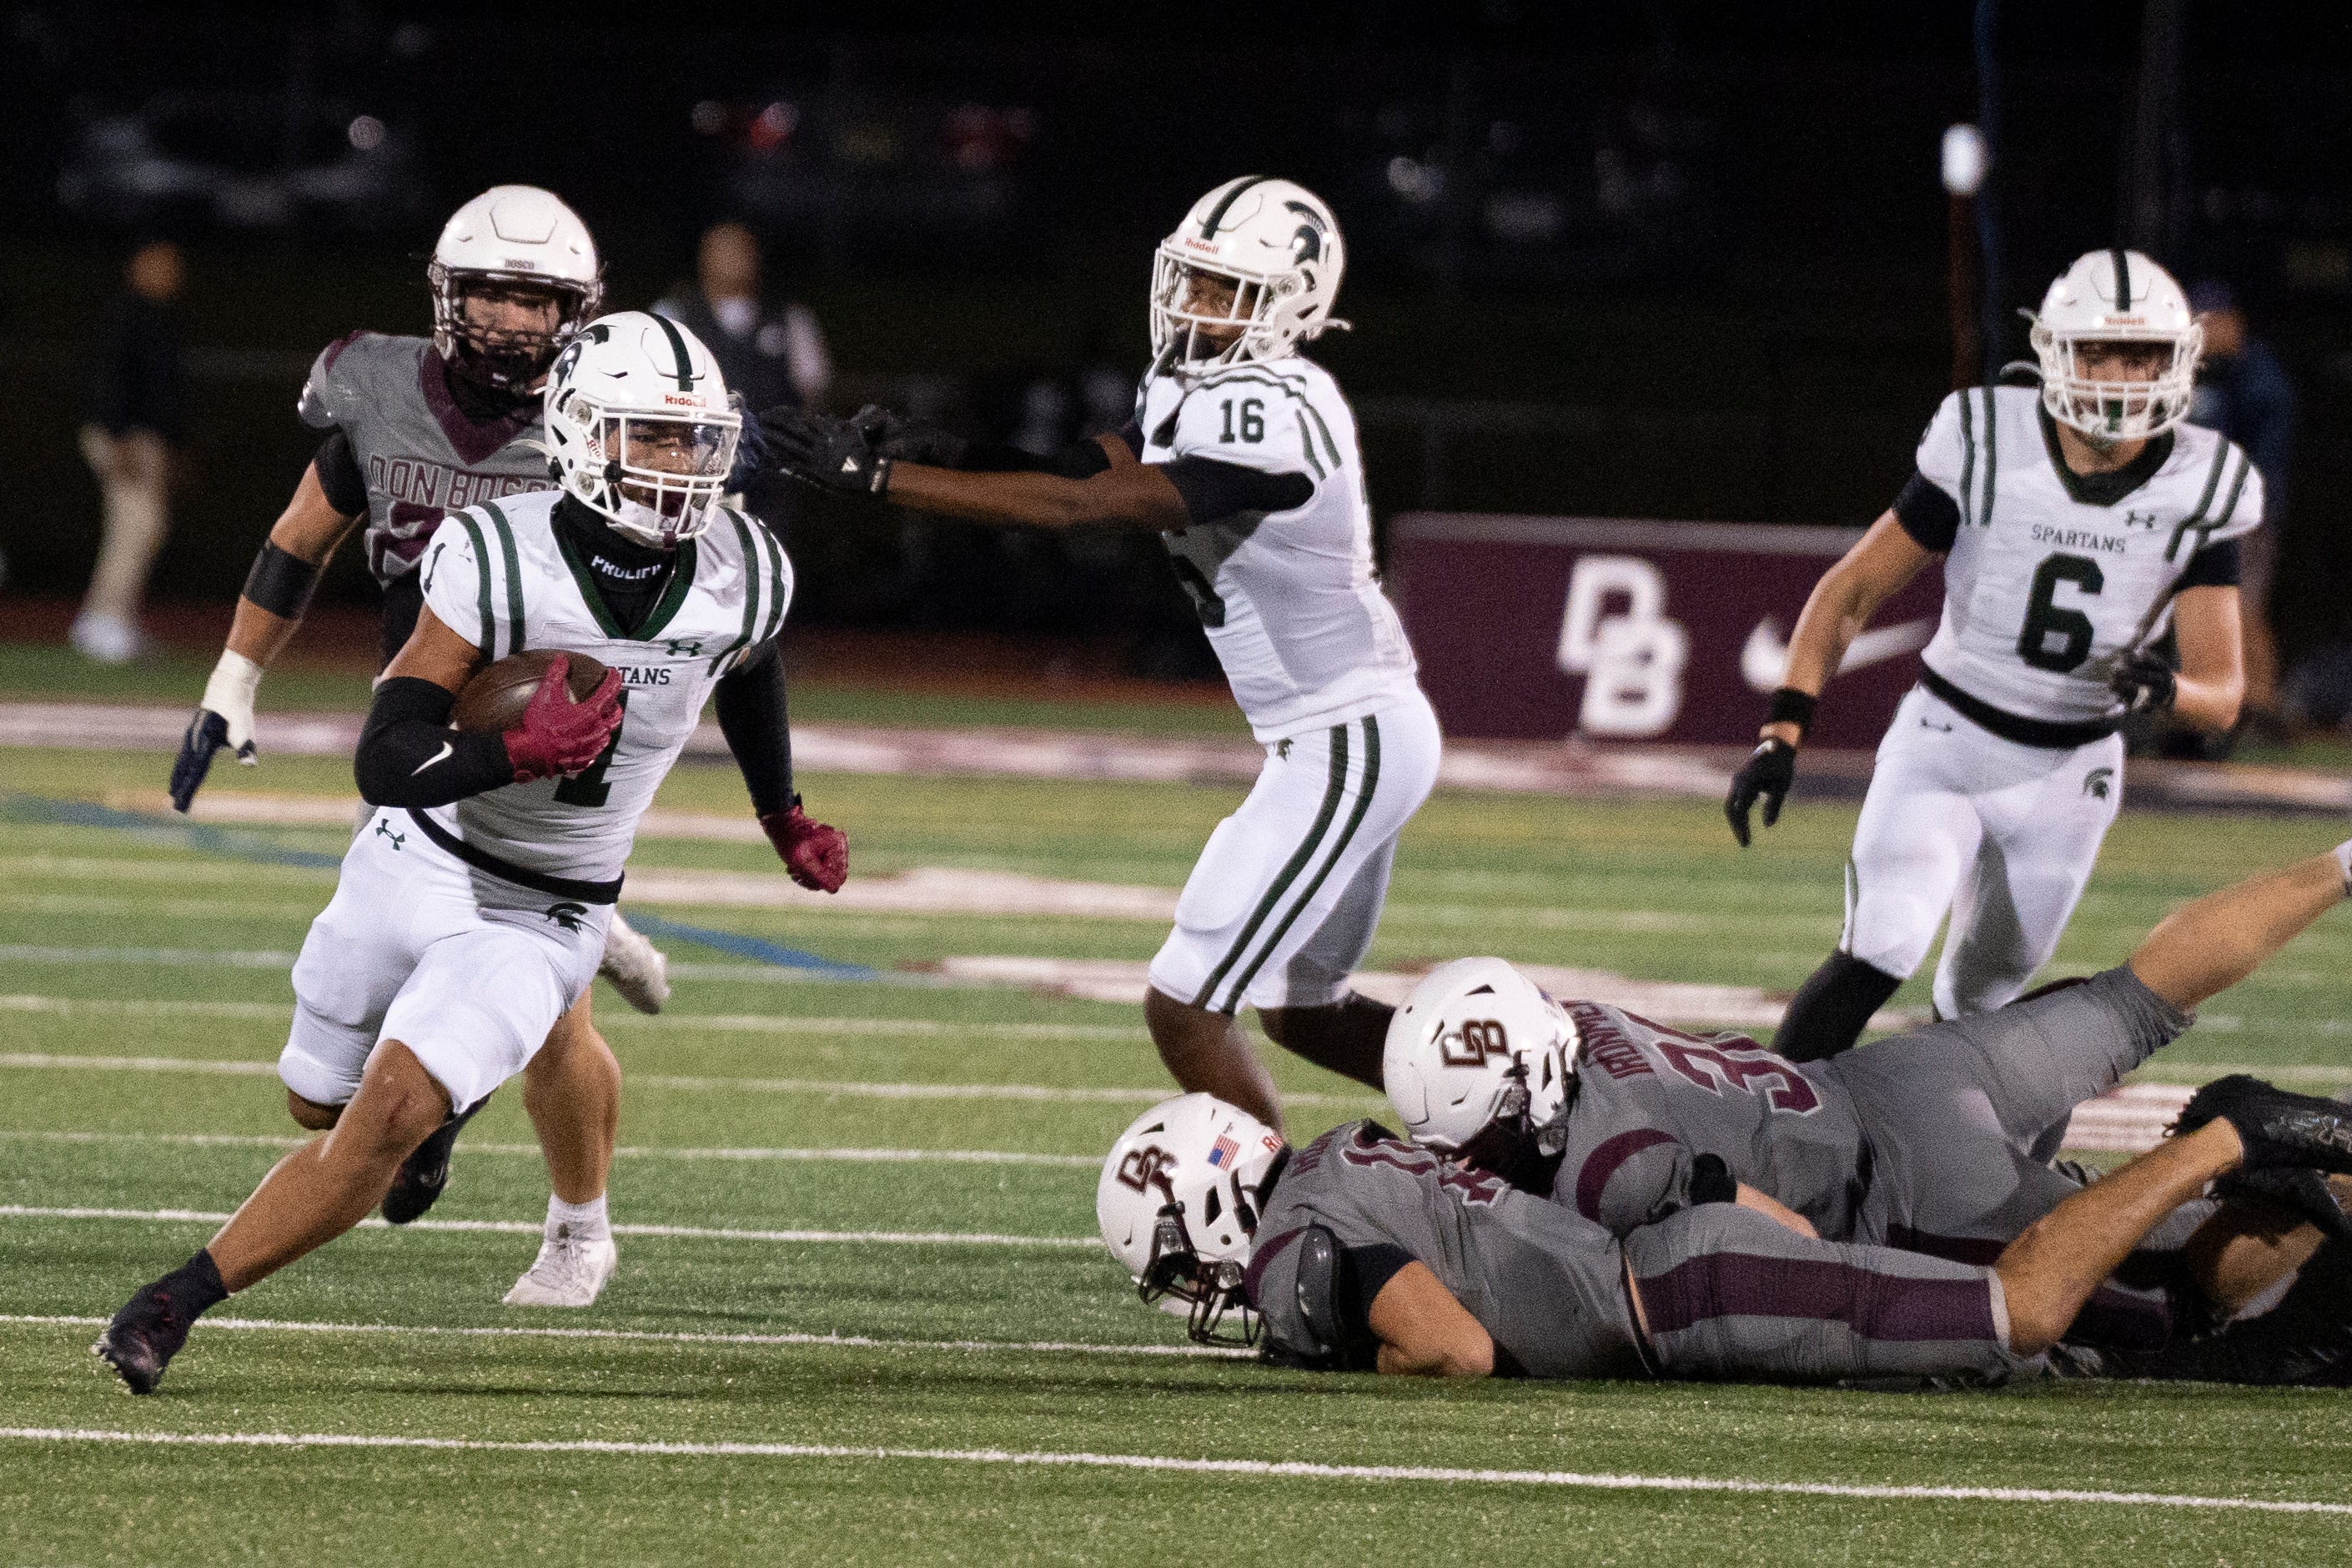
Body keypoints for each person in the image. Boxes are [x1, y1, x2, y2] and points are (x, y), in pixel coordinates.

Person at [93, 313, 848, 1395]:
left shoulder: (747, 569)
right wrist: (506, 750)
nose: (682, 468)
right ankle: (448, 1102)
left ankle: (171, 1303)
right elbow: (384, 753)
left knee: (384, 1119)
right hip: (416, 848)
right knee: (316, 1104)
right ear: (584, 434)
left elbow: (750, 663)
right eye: (652, 437)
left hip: (544, 908)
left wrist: (783, 812)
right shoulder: (500, 548)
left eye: (693, 440)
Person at [1097, 842, 2352, 1384]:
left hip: (1897, 1191)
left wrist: (1873, 1302)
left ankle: (2231, 1141)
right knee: (2140, 993)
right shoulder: (1573, 1023)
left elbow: (1775, 1244)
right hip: (1883, 1080)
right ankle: (2342, 863)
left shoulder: (1602, 1165)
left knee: (2150, 1310)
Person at [762, 177, 1440, 1136]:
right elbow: (1091, 467)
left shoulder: (1282, 405)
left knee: (1185, 1003)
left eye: (1225, 291)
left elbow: (1088, 512)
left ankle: (1286, 1227)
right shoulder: (1191, 381)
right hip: (1340, 733)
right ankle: (1532, 1111)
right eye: (1192, 282)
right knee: (1306, 1012)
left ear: (1293, 303)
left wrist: (881, 480)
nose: (1194, 307)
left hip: (1349, 735)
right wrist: (946, 449)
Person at [164, 186, 671, 1226]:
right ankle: (501, 1042)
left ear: (579, 311)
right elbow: (299, 538)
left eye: (540, 301)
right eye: (492, 294)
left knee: (543, 1014)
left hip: (548, 740)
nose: (516, 322)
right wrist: (233, 676)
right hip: (415, 726)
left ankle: (568, 1214)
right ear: (447, 295)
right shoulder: (378, 388)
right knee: (361, 1029)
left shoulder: (608, 416)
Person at [1726, 249, 2259, 1066]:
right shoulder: (1987, 440)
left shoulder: (2203, 480)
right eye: (2101, 352)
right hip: (1948, 740)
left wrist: (2168, 690)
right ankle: (1765, 1143)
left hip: (2071, 771)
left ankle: (1935, 1168)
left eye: (2143, 355)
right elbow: (1850, 593)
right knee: (1880, 945)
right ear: (2055, 352)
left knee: (1980, 1007)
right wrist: (1781, 733)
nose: (2122, 377)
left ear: (2180, 359)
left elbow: (2223, 694)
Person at [2187, 279, 2295, 736]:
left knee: (2244, 607)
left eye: (2214, 320)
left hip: (2246, 513)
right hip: (2200, 514)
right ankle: (2226, 708)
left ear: (2235, 322)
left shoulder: (2258, 376)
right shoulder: (2195, 370)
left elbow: (2264, 460)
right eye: (2200, 320)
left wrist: (2251, 513)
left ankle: (2265, 707)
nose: (2206, 330)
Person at [73, 239, 187, 665]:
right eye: (162, 264)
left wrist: (172, 448)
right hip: (124, 436)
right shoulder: (125, 314)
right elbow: (104, 378)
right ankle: (102, 622)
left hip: (144, 438)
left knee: (142, 528)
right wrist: (118, 436)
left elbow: (165, 394)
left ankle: (111, 618)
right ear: (138, 267)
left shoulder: (159, 318)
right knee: (134, 525)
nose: (172, 272)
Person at [652, 221, 831, 417]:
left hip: (772, 441)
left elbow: (814, 390)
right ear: (703, 258)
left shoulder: (791, 320)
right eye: (723, 249)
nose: (734, 258)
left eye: (740, 249)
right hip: (697, 438)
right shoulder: (672, 316)